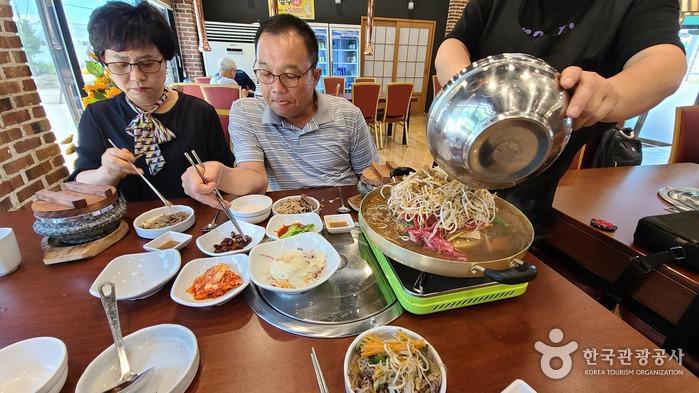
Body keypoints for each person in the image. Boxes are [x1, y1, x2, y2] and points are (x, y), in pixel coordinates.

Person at [434, 0, 686, 233]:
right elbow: (455, 42)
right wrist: (465, 88)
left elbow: (665, 61)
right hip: (453, 168)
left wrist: (610, 93)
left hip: (534, 188)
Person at [182, 14, 379, 207]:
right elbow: (255, 179)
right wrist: (221, 174)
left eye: (290, 75)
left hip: (340, 218)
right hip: (283, 225)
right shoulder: (246, 112)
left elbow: (371, 177)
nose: (276, 88)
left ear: (315, 77)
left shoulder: (348, 114)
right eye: (266, 73)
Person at [70, 2, 253, 201]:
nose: (136, 76)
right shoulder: (98, 116)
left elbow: (227, 175)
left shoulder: (200, 112)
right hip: (134, 227)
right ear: (104, 61)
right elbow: (80, 187)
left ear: (165, 59)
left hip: (203, 219)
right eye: (121, 64)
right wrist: (107, 172)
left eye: (147, 63)